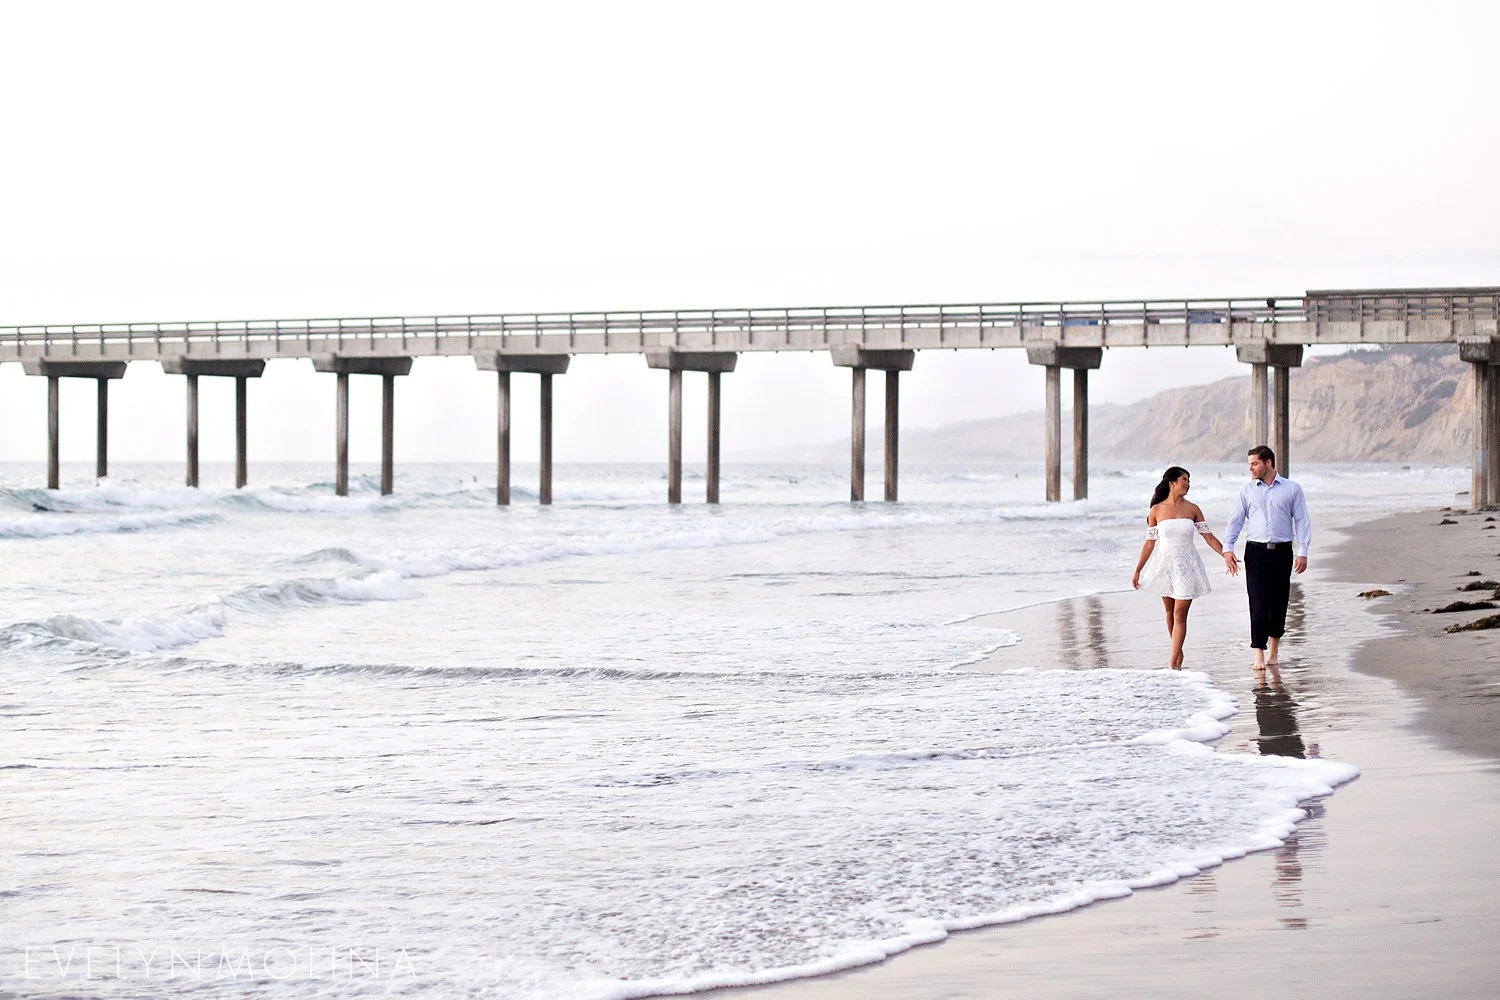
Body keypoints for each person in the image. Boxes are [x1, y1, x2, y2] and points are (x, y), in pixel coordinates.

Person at [1131, 467, 1230, 670]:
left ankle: (1173, 663)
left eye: (1189, 480)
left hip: (1187, 565)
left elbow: (1208, 536)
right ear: (1172, 482)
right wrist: (1138, 570)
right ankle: (1178, 651)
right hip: (1165, 564)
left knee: (1180, 614)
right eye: (1184, 480)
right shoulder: (1156, 510)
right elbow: (1149, 542)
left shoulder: (1193, 509)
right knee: (1169, 612)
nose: (1188, 484)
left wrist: (1226, 554)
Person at [1222, 445, 1311, 669]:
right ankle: (1258, 655)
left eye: (1255, 464)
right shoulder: (1247, 491)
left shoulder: (1292, 489)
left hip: (1282, 552)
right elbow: (1236, 520)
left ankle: (1273, 652)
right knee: (1258, 601)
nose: (1251, 468)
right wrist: (1228, 548)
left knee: (1279, 602)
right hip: (1256, 552)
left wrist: (1303, 551)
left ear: (1268, 462)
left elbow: (1301, 521)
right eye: (1250, 464)